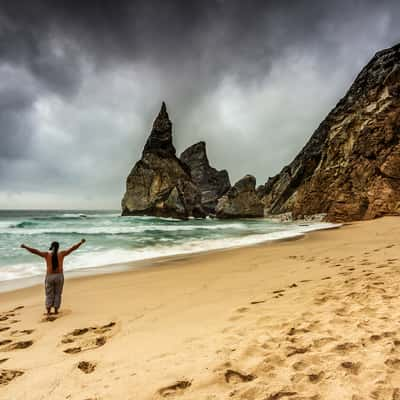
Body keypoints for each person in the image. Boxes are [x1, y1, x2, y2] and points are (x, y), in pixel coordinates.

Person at [20, 239, 86, 315]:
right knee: (58, 293)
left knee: (49, 294)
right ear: (58, 247)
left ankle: (48, 311)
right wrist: (80, 242)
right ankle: (56, 310)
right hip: (59, 276)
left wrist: (25, 247)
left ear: (51, 247)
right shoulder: (62, 254)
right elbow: (73, 248)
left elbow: (35, 251)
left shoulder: (47, 255)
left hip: (49, 277)